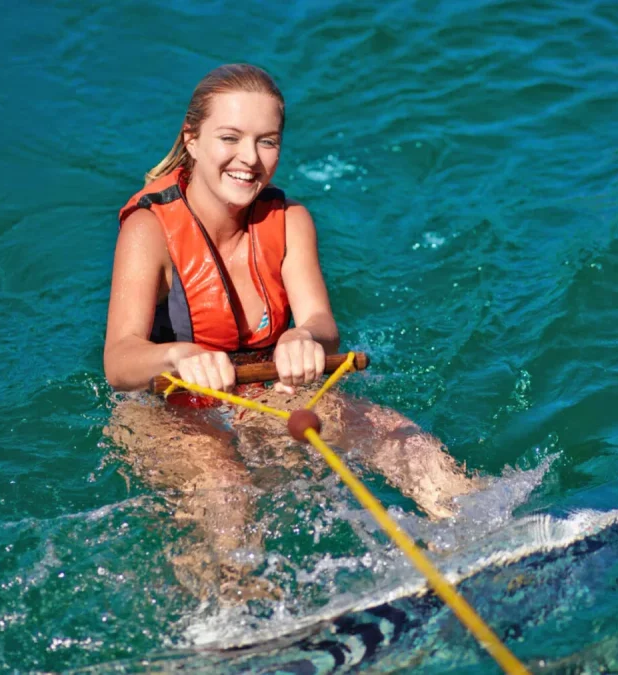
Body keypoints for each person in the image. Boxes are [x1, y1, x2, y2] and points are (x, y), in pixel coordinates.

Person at [103, 64, 480, 602]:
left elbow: (323, 325)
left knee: (403, 441)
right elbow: (119, 361)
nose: (249, 159)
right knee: (226, 491)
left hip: (267, 392)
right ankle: (228, 620)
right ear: (192, 139)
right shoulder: (149, 230)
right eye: (229, 138)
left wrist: (304, 337)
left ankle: (500, 540)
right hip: (170, 411)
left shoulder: (291, 220)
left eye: (267, 142)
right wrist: (181, 355)